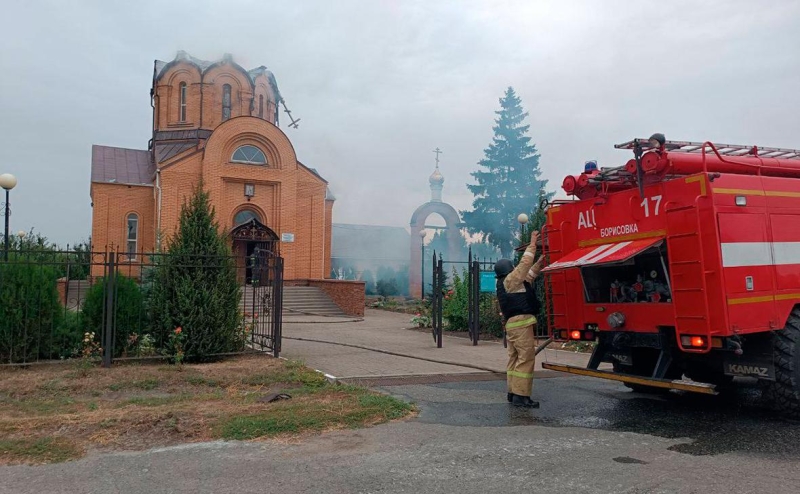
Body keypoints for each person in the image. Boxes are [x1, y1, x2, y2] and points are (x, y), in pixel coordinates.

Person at [495, 232, 545, 408]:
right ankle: (521, 396)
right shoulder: (510, 280)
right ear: (509, 269)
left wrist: (540, 262)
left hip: (513, 325)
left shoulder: (509, 283)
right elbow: (524, 265)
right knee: (526, 358)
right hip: (521, 325)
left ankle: (513, 392)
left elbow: (529, 275)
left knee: (514, 358)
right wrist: (532, 244)